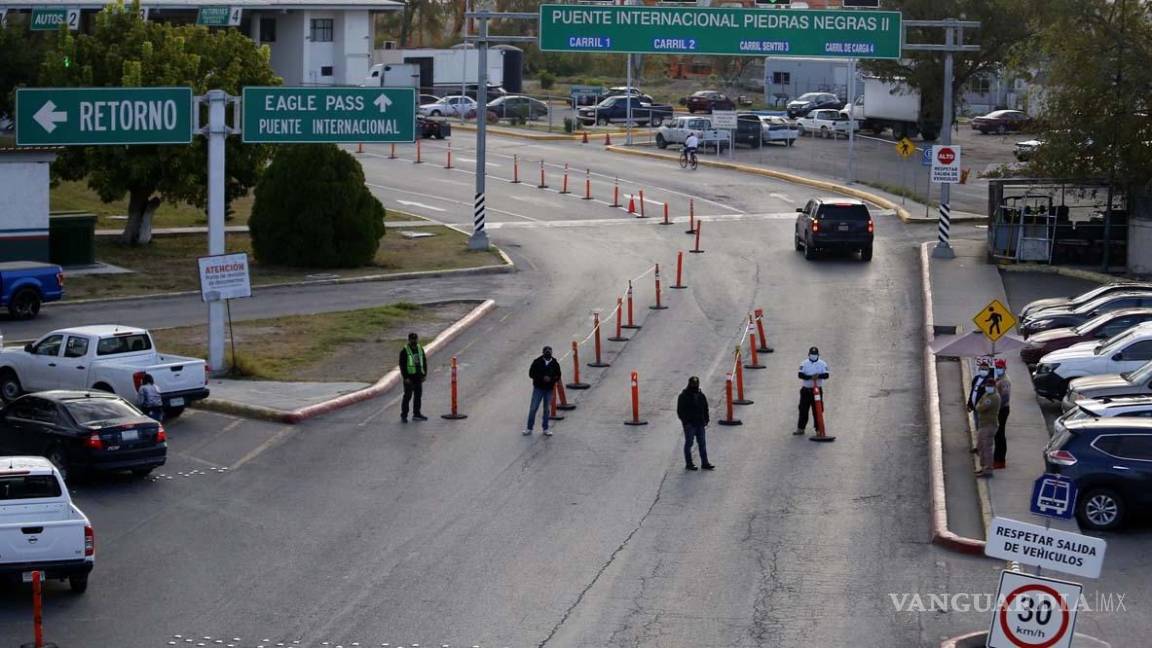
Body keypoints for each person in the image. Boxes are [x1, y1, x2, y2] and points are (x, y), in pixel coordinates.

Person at [677, 376, 713, 471]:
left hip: (700, 423)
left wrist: (706, 419)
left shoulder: (701, 395)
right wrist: (686, 422)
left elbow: (705, 408)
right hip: (690, 425)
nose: (695, 386)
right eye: (693, 384)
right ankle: (689, 463)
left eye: (696, 384)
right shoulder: (684, 396)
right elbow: (680, 411)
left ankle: (705, 463)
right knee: (689, 443)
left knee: (702, 444)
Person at [525, 346, 562, 436]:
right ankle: (529, 428)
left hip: (549, 389)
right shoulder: (537, 362)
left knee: (546, 409)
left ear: (551, 353)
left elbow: (558, 375)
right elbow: (531, 374)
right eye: (546, 351)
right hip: (538, 388)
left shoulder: (555, 363)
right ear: (543, 353)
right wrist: (542, 378)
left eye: (549, 351)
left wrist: (551, 379)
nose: (548, 353)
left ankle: (545, 428)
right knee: (533, 408)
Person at [796, 346, 830, 435]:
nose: (813, 356)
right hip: (806, 390)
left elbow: (826, 375)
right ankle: (800, 428)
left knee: (818, 410)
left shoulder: (822, 364)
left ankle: (818, 429)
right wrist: (811, 377)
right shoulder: (804, 363)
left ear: (818, 355)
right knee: (803, 409)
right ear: (808, 354)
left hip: (817, 391)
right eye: (812, 354)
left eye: (815, 354)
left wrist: (818, 376)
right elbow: (800, 375)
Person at [974, 378, 1002, 478]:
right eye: (987, 386)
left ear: (994, 386)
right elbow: (978, 404)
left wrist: (979, 406)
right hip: (984, 424)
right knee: (980, 446)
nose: (987, 387)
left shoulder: (993, 397)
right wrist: (979, 405)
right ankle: (983, 467)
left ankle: (988, 470)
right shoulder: (988, 395)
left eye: (990, 386)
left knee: (987, 448)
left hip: (989, 425)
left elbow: (980, 407)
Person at [399, 332, 427, 422]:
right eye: (412, 339)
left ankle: (417, 414)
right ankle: (404, 415)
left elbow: (424, 362)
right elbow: (402, 365)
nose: (414, 341)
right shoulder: (405, 350)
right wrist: (405, 377)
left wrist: (424, 374)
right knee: (407, 396)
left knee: (418, 396)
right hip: (409, 378)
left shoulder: (420, 348)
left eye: (415, 339)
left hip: (418, 377)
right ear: (409, 340)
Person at [994, 359, 1012, 469]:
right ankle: (997, 458)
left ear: (1004, 368)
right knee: (997, 435)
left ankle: (1000, 460)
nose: (998, 369)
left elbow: (1004, 398)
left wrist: (996, 409)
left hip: (1001, 410)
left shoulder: (1005, 381)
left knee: (1000, 435)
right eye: (997, 367)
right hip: (999, 409)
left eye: (1000, 367)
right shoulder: (999, 378)